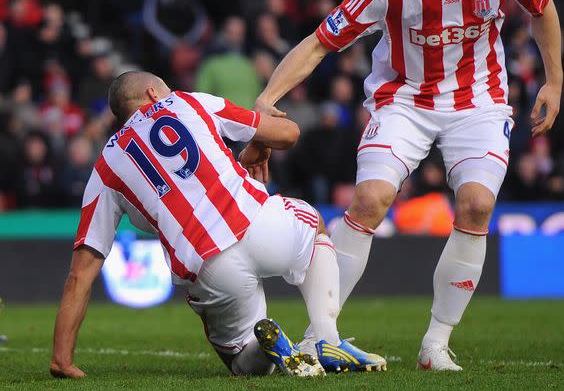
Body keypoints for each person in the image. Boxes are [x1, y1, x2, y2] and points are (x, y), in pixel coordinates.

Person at [243, 0, 563, 370]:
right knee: (370, 199)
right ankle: (318, 335)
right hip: (403, 100)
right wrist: (267, 97)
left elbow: (542, 8)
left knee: (477, 206)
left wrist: (554, 80)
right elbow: (318, 44)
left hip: (480, 100)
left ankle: (436, 344)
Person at [49, 71, 385, 379]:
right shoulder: (188, 101)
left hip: (207, 264)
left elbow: (81, 273)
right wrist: (258, 144)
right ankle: (327, 337)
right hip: (259, 223)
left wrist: (61, 359)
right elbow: (289, 133)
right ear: (154, 93)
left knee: (241, 361)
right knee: (314, 228)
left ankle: (267, 347)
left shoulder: (106, 165)